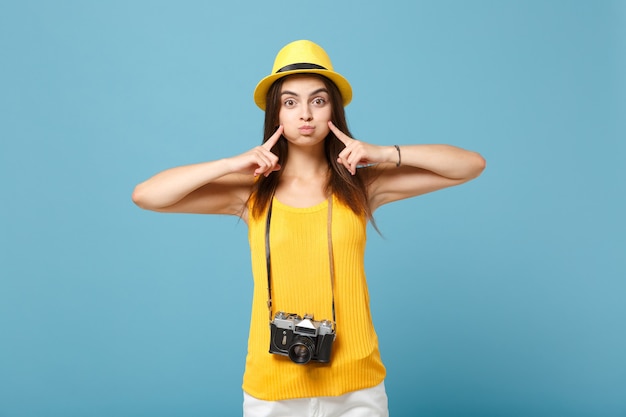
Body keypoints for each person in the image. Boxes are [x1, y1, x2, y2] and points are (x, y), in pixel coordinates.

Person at [132, 39, 485, 416]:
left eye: (318, 100)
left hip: (357, 386)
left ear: (333, 108)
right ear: (276, 116)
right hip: (273, 387)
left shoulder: (361, 186)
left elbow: (470, 165)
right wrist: (230, 164)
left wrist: (384, 154)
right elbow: (147, 195)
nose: (305, 114)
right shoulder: (251, 193)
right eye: (290, 102)